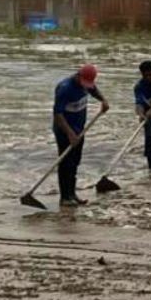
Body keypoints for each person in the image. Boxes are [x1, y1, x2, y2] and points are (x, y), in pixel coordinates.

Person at [52, 64, 109, 209]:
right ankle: (65, 197)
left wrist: (103, 100)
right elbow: (58, 114)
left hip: (79, 129)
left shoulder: (87, 84)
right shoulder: (65, 88)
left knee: (75, 161)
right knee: (66, 163)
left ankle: (72, 194)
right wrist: (70, 133)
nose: (86, 87)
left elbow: (94, 90)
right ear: (78, 76)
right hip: (64, 130)